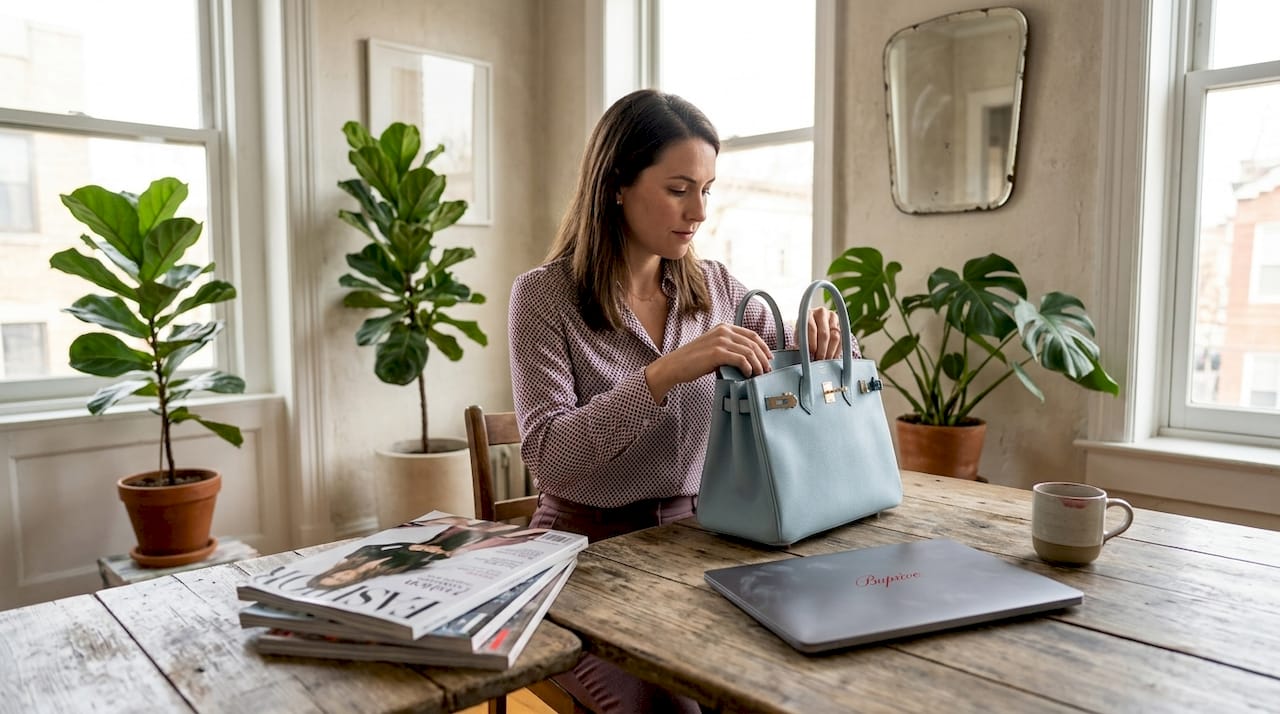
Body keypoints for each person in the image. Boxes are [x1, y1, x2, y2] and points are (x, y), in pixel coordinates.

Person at [508, 88, 855, 714]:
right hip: (581, 553)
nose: (698, 211)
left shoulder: (720, 287)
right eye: (677, 188)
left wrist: (814, 351)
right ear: (616, 184)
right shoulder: (543, 297)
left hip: (703, 537)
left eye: (707, 189)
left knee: (769, 680)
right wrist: (665, 373)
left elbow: (783, 381)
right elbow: (551, 459)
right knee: (670, 708)